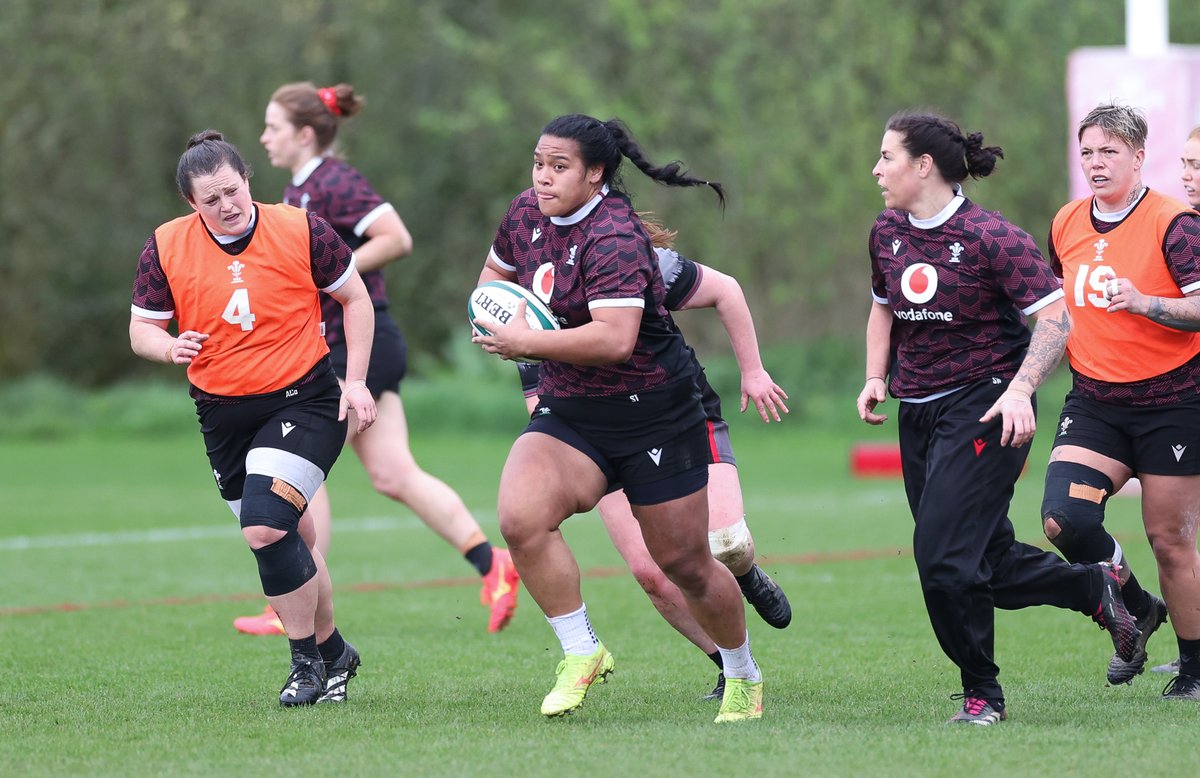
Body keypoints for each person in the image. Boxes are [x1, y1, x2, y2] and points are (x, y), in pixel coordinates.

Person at [473, 114, 763, 723]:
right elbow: (494, 279)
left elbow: (613, 341)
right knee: (520, 518)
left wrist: (525, 344)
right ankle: (581, 650)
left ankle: (742, 673)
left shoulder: (615, 236)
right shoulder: (527, 212)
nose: (544, 178)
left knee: (682, 564)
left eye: (560, 167)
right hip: (573, 410)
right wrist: (496, 312)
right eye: (538, 163)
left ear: (595, 173)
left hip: (654, 414)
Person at [856, 111, 1141, 726]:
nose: (877, 170)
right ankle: (1094, 588)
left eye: (887, 158)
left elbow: (1055, 318)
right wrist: (877, 376)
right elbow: (883, 309)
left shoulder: (991, 236)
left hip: (987, 406)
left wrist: (1019, 391)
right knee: (986, 561)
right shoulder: (886, 232)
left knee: (942, 561)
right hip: (919, 412)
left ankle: (983, 694)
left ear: (923, 166)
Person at [237, 81, 520, 637]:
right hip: (354, 344)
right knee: (394, 473)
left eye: (272, 126)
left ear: (304, 133)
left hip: (356, 344)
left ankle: (288, 602)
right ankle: (495, 565)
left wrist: (327, 277)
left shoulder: (333, 181)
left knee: (298, 468)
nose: (264, 137)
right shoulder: (298, 192)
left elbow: (395, 237)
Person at [129, 130, 376, 706]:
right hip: (221, 412)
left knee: (264, 526)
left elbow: (355, 298)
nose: (226, 205)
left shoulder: (300, 228)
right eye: (210, 199)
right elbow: (141, 329)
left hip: (304, 399)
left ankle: (305, 666)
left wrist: (356, 380)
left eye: (232, 190)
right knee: (295, 537)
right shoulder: (165, 246)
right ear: (192, 204)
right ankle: (336, 653)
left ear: (248, 182)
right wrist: (170, 348)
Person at [508, 215, 792, 701]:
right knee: (651, 573)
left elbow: (726, 291)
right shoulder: (535, 290)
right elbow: (538, 395)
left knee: (724, 544)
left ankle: (745, 573)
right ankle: (731, 668)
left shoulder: (632, 262)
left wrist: (754, 371)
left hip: (674, 416)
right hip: (597, 430)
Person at [1045, 104, 1200, 699]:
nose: (1096, 163)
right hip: (1094, 403)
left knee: (1169, 539)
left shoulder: (1175, 223)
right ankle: (1138, 606)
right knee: (1066, 519)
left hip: (1175, 404)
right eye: (1087, 152)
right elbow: (1054, 309)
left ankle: (1193, 668)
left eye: (1109, 151)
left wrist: (1145, 302)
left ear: (1138, 157)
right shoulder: (1066, 222)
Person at [1151, 124, 1200, 676]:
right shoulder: (1185, 230)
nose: (1188, 176)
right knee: (1173, 537)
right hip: (1184, 400)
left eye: (1198, 166)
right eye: (1185, 164)